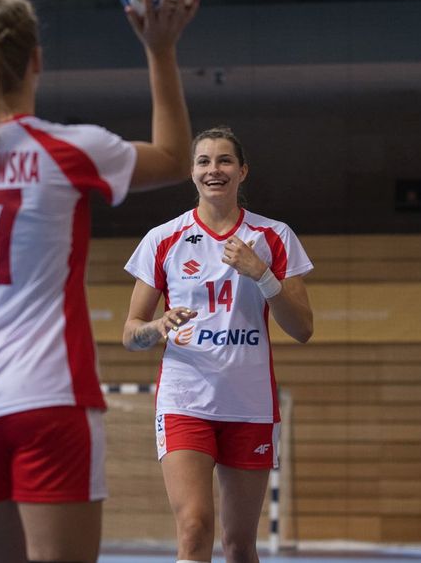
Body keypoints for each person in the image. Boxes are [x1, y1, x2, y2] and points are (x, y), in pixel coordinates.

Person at [0, 0, 198, 563]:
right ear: (36, 60)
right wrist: (160, 49)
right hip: (48, 396)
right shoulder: (68, 149)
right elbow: (177, 160)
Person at [122, 127, 314, 563]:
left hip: (249, 406)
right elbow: (130, 333)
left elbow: (302, 328)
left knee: (239, 544)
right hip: (185, 400)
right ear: (192, 172)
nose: (214, 169)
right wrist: (157, 327)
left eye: (225, 161)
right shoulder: (163, 238)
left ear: (242, 171)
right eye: (204, 161)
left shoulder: (275, 236)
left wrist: (261, 274)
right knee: (193, 529)